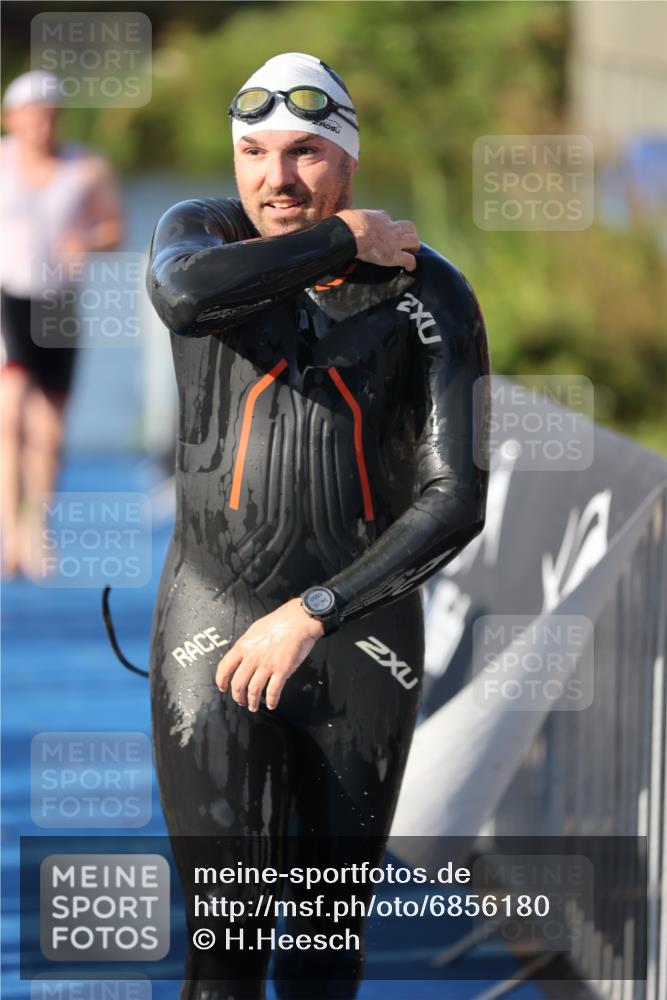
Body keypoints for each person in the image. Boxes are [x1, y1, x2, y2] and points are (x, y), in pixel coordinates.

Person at [145, 52, 489, 1000]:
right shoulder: (200, 236)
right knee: (225, 944)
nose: (274, 178)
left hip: (356, 633)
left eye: (303, 151)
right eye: (253, 151)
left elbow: (456, 497)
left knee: (324, 947)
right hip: (210, 619)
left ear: (347, 155)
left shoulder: (433, 295)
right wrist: (343, 241)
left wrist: (314, 611)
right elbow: (184, 296)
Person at [0, 70, 123, 578]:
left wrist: (85, 243)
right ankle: (9, 532)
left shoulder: (86, 168)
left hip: (57, 304)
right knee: (10, 416)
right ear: (12, 118)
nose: (41, 125)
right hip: (8, 296)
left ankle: (37, 531)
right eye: (31, 115)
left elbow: (114, 228)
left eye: (49, 115)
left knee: (48, 430)